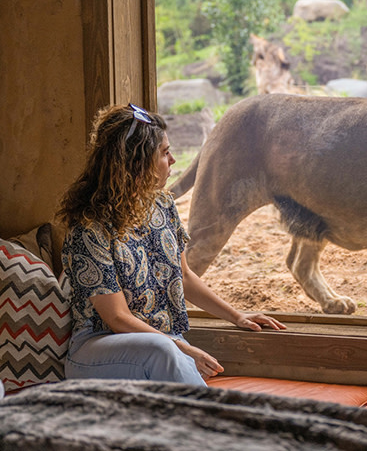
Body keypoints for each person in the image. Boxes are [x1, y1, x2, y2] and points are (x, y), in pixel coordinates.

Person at [56, 103, 286, 386]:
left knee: (164, 350)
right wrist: (182, 348)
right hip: (98, 347)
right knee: (163, 350)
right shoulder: (90, 229)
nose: (173, 160)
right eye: (164, 153)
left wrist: (237, 316)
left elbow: (185, 276)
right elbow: (116, 318)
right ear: (136, 163)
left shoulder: (163, 205)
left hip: (159, 344)